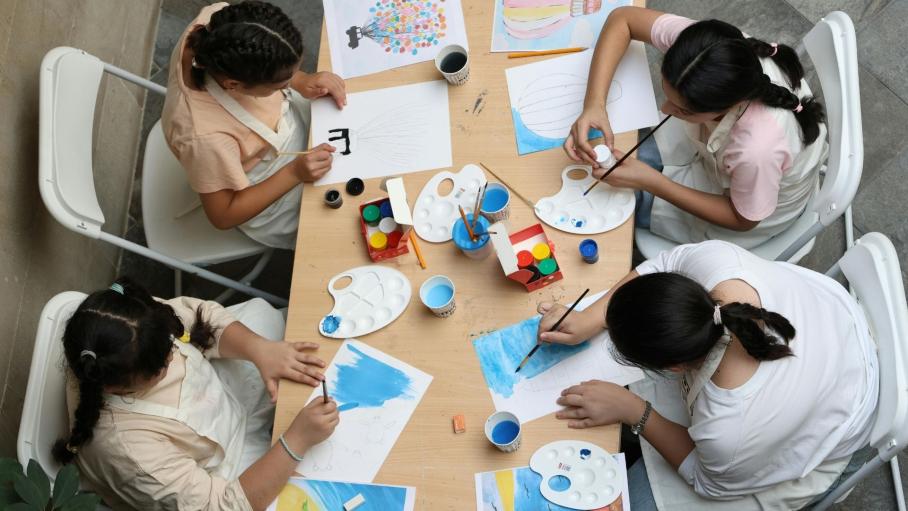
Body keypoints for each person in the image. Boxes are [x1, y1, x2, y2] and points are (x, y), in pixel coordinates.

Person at [536, 240, 878, 510]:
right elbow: (664, 263)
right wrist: (592, 316)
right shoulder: (718, 265)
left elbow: (708, 482)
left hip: (843, 417)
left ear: (675, 368)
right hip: (829, 326)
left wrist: (634, 410)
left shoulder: (729, 425)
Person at [53, 278, 339, 510]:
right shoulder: (126, 451)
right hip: (222, 467)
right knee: (312, 492)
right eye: (162, 366)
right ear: (116, 388)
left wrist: (260, 350)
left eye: (170, 346)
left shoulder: (131, 322)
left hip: (223, 394)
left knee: (273, 322)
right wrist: (295, 441)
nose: (173, 356)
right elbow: (221, 506)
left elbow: (202, 318)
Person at [564, 7, 828, 249]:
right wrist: (594, 104)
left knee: (620, 198)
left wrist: (652, 182)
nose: (665, 109)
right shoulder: (704, 51)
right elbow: (623, 19)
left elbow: (743, 219)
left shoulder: (757, 149)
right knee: (630, 156)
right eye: (667, 94)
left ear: (726, 107)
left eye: (683, 110)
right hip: (729, 157)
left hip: (750, 206)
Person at [162, 1, 346, 250]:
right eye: (281, 83)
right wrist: (294, 173)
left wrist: (301, 80)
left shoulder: (217, 24)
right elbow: (223, 215)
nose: (288, 83)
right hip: (268, 186)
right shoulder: (205, 137)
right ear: (233, 84)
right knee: (340, 226)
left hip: (288, 130)